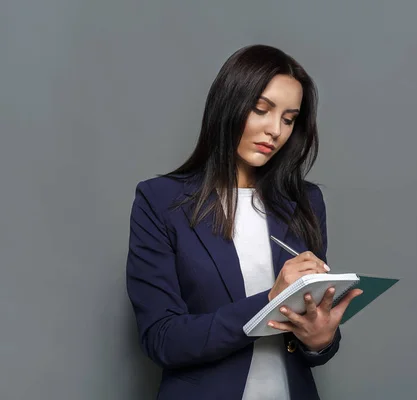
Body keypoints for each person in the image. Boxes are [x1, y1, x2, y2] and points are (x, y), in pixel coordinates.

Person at [125, 44, 362, 400]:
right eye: (261, 110)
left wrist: (321, 339)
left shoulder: (304, 201)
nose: (275, 131)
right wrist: (269, 301)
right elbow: (162, 338)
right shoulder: (161, 201)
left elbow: (311, 340)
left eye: (288, 118)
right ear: (229, 104)